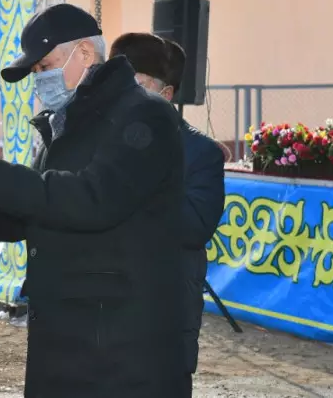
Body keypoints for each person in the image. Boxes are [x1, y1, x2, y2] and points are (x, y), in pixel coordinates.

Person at [0, 3, 187, 397]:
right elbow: (27, 215)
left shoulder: (145, 114)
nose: (39, 79)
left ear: (84, 53)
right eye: (34, 71)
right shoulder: (65, 123)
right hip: (67, 336)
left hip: (121, 344)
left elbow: (93, 199)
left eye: (44, 66)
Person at [110, 32, 226, 397]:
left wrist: (139, 177)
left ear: (167, 93)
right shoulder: (103, 141)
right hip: (106, 307)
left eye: (137, 85)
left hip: (166, 310)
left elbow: (194, 227)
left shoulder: (201, 153)